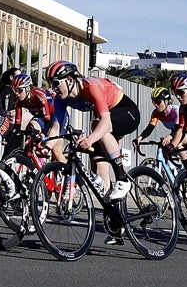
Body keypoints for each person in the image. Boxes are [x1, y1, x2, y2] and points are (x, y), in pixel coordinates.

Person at [44, 59, 138, 201]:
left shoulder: (90, 86)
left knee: (97, 125)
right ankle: (111, 209)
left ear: (70, 80)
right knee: (98, 168)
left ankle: (122, 179)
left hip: (126, 112)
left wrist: (89, 139)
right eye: (50, 84)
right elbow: (56, 129)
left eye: (56, 83)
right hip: (105, 120)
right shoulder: (60, 99)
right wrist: (45, 147)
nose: (53, 88)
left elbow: (105, 123)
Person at [133, 86, 187, 166]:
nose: (155, 105)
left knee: (177, 143)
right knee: (167, 149)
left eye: (158, 102)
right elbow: (149, 128)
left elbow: (177, 130)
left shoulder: (175, 111)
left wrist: (168, 137)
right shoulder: (156, 113)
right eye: (153, 102)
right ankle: (176, 170)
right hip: (177, 132)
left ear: (166, 101)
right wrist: (140, 138)